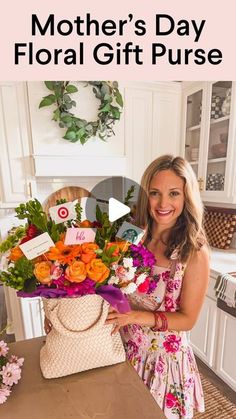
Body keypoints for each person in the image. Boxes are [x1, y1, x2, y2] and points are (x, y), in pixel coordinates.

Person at [105, 155, 210, 419]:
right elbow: (109, 282)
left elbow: (187, 320)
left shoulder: (193, 251)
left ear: (186, 197)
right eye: (155, 193)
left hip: (164, 363)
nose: (163, 204)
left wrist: (135, 317)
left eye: (174, 193)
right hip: (123, 348)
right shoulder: (131, 232)